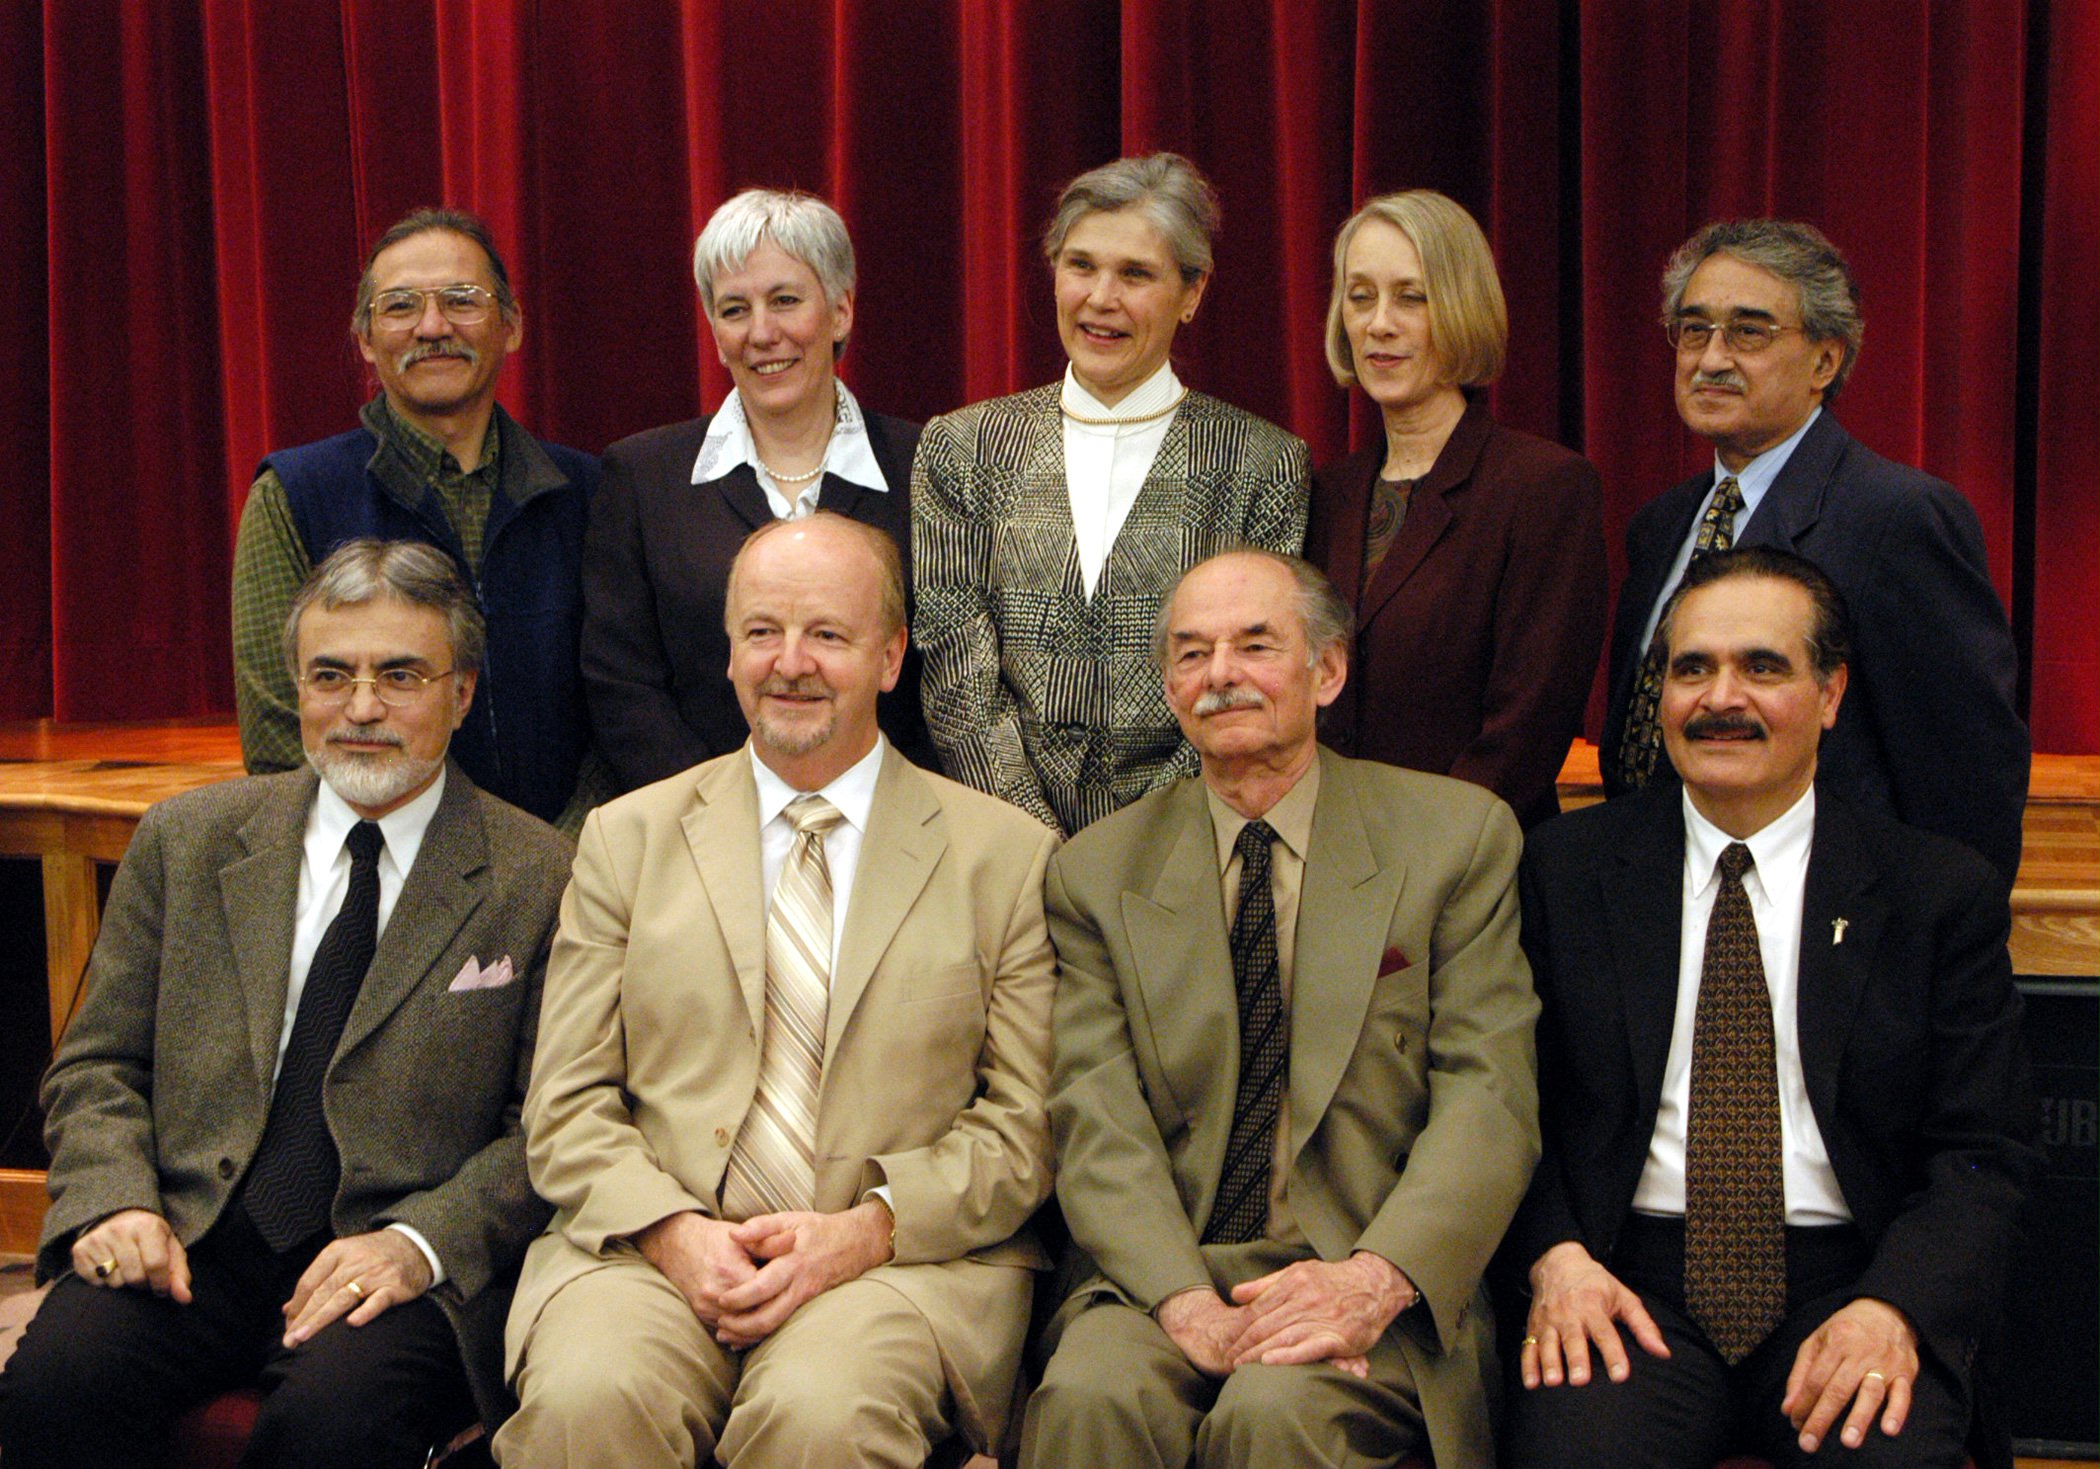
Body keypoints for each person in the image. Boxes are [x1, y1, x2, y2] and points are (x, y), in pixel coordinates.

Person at [497, 514, 1058, 1468]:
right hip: (652, 1250)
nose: (789, 662)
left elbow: (1025, 1125)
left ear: (890, 656)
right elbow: (566, 1106)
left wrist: (864, 1231)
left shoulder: (1004, 855)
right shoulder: (626, 840)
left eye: (827, 635)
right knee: (588, 1401)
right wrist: (672, 1232)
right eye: (762, 632)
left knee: (821, 1420)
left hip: (896, 1263)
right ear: (727, 655)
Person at [0, 541, 571, 1468]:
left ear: (462, 693)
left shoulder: (539, 872)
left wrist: (421, 1242)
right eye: (330, 675)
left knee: (326, 1434)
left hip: (391, 1259)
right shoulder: (187, 840)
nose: (362, 708)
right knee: (53, 1387)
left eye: (400, 675)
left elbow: (548, 1126)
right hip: (191, 1232)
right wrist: (114, 1200)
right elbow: (97, 1064)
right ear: (295, 686)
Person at [1508, 548, 2039, 1469]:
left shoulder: (1932, 891)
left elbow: (1983, 1152)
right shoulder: (1563, 871)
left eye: (1762, 667)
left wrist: (1895, 1307)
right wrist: (1556, 1258)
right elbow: (1507, 1109)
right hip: (1624, 1282)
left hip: (1853, 1278)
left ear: (1831, 694)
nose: (1721, 698)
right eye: (1691, 669)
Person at [1022, 549, 1539, 1469]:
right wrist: (1183, 1301)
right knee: (1089, 1395)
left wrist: (1375, 1281)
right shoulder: (1097, 871)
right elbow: (1096, 1118)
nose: (1220, 675)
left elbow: (1488, 1099)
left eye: (1255, 645)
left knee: (1276, 1413)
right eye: (1190, 654)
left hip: (1362, 1261)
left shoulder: (1455, 838)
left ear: (1328, 670)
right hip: (1167, 1272)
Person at [1599, 218, 2028, 889]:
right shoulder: (1661, 526)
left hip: (1837, 938)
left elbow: (1968, 782)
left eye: (1748, 331)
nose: (1711, 358)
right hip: (1666, 913)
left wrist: (1942, 948)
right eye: (1693, 329)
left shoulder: (1897, 517)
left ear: (1825, 362)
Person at [913, 152, 1311, 837]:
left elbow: (1243, 683)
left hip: (1189, 846)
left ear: (1192, 293)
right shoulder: (963, 446)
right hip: (1001, 849)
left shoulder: (1263, 463)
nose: (1101, 298)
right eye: (1081, 265)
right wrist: (1034, 838)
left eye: (1135, 274)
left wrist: (1130, 847)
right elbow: (957, 675)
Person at [232, 206, 601, 833]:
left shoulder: (589, 494)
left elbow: (620, 709)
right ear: (366, 341)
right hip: (385, 883)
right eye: (401, 306)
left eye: (462, 299)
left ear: (511, 326)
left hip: (577, 874)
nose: (433, 326)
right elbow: (282, 745)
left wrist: (561, 860)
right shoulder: (293, 496)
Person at [583, 188, 932, 794]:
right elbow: (622, 684)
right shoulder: (642, 475)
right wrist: (726, 813)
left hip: (894, 827)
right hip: (696, 829)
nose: (762, 333)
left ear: (842, 311)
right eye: (735, 309)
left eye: (786, 301)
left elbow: (952, 677)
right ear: (714, 331)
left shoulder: (928, 464)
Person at [1305, 189, 1606, 829]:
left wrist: (1425, 857)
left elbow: (1528, 725)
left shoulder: (1543, 487)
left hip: (1472, 865)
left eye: (1411, 297)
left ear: (1463, 307)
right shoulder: (1327, 492)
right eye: (1360, 297)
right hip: (1332, 858)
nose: (1379, 322)